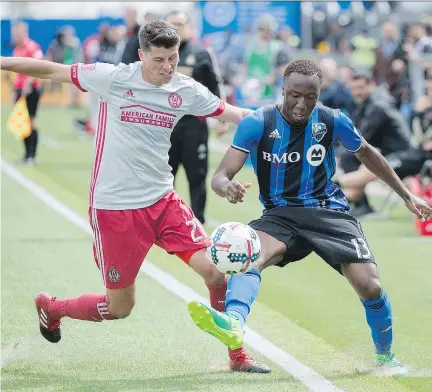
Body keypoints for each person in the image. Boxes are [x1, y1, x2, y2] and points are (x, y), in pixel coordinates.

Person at [0, 20, 269, 374]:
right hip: (115, 210)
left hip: (162, 201)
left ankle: (237, 357)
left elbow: (237, 115)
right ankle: (53, 308)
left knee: (217, 275)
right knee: (120, 308)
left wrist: (285, 125)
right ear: (141, 54)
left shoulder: (185, 88)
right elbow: (52, 70)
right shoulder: (113, 77)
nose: (167, 67)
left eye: (172, 58)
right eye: (159, 59)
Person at [187, 59, 432, 376]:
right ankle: (233, 323)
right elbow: (220, 175)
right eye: (294, 95)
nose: (301, 104)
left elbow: (368, 153)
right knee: (248, 257)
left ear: (320, 93)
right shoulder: (258, 122)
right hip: (280, 215)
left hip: (329, 211)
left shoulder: (332, 120)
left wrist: (406, 195)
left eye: (310, 97)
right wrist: (226, 187)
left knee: (370, 286)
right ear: (283, 89)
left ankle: (385, 357)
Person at [166, 10, 228, 224]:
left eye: (180, 24)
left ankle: (198, 221)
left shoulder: (201, 52)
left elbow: (215, 85)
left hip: (194, 124)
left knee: (197, 176)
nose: (176, 29)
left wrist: (222, 119)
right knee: (165, 176)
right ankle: (167, 220)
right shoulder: (159, 53)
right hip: (166, 126)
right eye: (171, 24)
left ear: (189, 27)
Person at [341, 72, 412, 217]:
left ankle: (331, 188)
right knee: (351, 159)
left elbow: (361, 138)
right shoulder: (364, 106)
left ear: (371, 86)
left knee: (350, 158)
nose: (357, 92)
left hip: (404, 156)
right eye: (354, 88)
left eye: (361, 87)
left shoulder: (378, 106)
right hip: (388, 154)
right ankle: (353, 202)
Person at [11, 21, 44, 165]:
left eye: (17, 34)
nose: (15, 37)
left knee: (31, 120)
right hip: (20, 89)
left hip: (31, 89)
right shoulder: (17, 50)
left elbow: (38, 66)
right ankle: (26, 154)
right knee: (21, 121)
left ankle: (32, 155)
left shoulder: (32, 47)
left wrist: (28, 83)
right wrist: (15, 89)